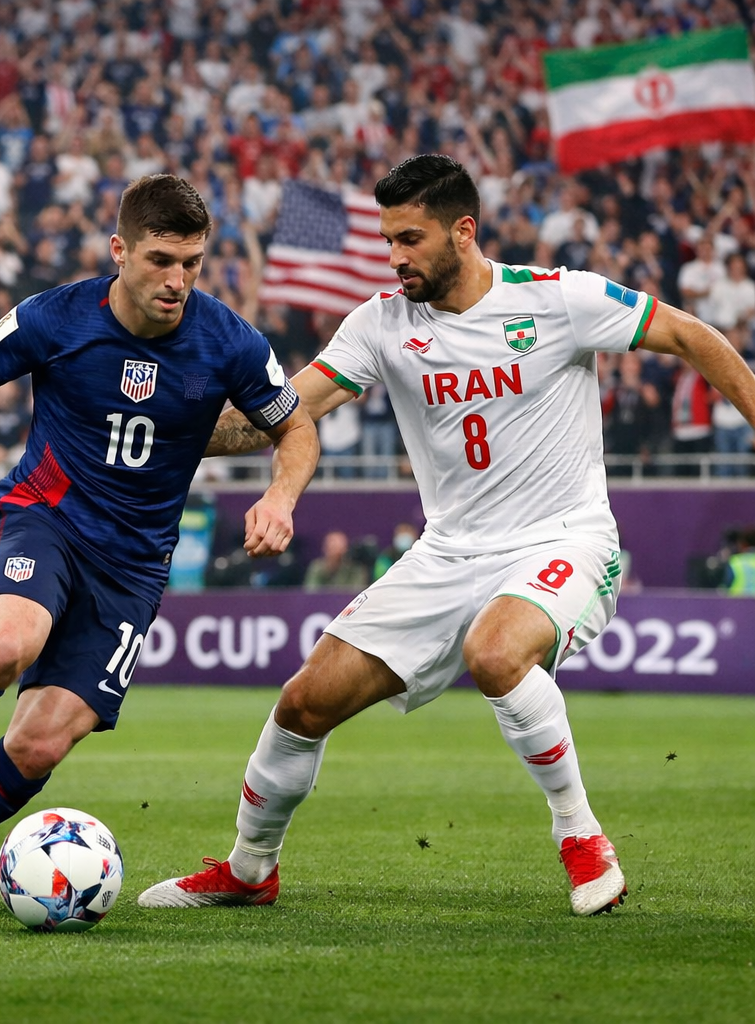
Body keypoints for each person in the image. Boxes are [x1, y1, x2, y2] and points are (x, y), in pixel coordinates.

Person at [136, 154, 755, 917]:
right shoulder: (381, 323)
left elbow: (693, 337)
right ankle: (250, 869)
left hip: (562, 539)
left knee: (495, 654)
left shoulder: (559, 300)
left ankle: (582, 837)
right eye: (389, 240)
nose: (396, 257)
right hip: (446, 553)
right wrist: (156, 426)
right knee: (303, 704)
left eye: (411, 239)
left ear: (463, 232)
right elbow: (280, 415)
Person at [0, 174, 319, 919]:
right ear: (120, 251)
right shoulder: (55, 316)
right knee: (8, 642)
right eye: (160, 260)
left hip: (132, 568)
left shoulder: (230, 340)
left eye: (192, 263)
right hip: (44, 517)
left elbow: (296, 427)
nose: (177, 280)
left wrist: (280, 496)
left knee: (40, 743)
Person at [302, 529, 369, 591]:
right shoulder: (316, 567)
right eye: (331, 546)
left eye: (337, 546)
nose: (333, 549)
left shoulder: (356, 570)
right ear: (324, 548)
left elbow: (356, 592)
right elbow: (311, 591)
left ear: (346, 548)